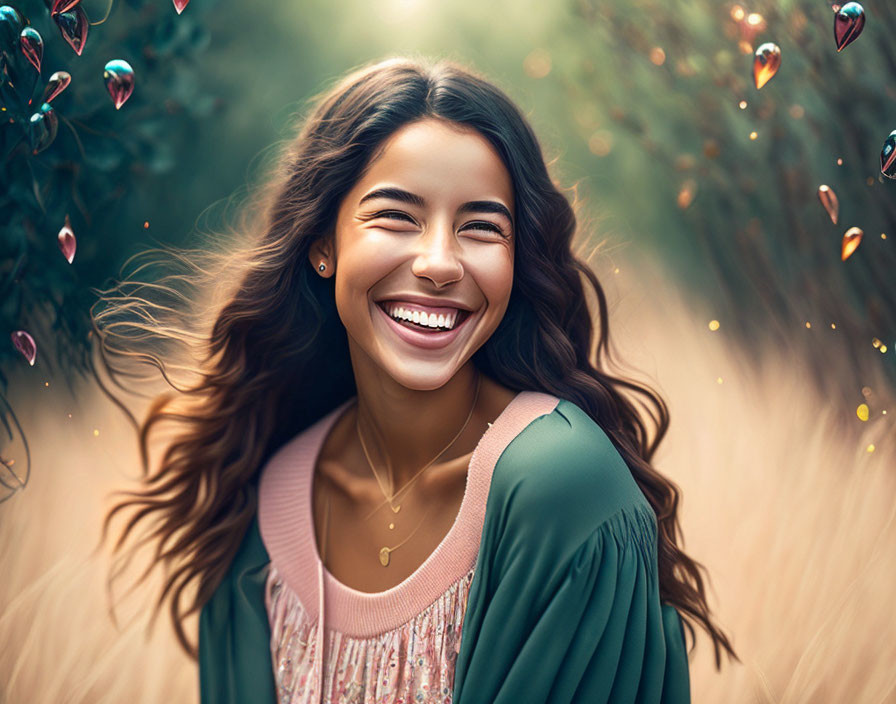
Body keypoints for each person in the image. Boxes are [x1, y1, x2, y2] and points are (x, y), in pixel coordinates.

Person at [96, 56, 737, 704]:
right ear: (323, 243)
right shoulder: (263, 501)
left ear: (518, 261)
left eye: (482, 227)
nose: (438, 263)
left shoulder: (561, 485)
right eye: (396, 216)